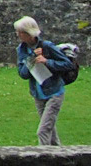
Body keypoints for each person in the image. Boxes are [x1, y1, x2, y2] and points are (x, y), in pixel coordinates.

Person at [15, 16, 68, 146]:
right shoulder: (21, 50)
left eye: (20, 32)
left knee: (43, 131)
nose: (17, 35)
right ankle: (61, 157)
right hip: (38, 94)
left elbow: (66, 64)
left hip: (54, 92)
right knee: (51, 131)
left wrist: (47, 61)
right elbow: (23, 74)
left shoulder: (47, 46)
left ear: (28, 33)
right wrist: (32, 58)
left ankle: (42, 159)